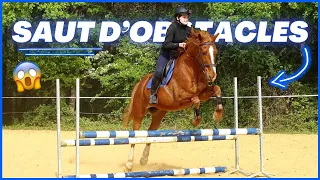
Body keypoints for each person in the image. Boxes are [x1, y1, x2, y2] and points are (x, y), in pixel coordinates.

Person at [149, 5, 192, 104]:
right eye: (184, 17)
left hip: (179, 55)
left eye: (187, 17)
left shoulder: (189, 29)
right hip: (167, 54)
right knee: (159, 72)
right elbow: (166, 44)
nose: (186, 19)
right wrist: (179, 44)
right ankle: (153, 94)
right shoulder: (172, 27)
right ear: (178, 18)